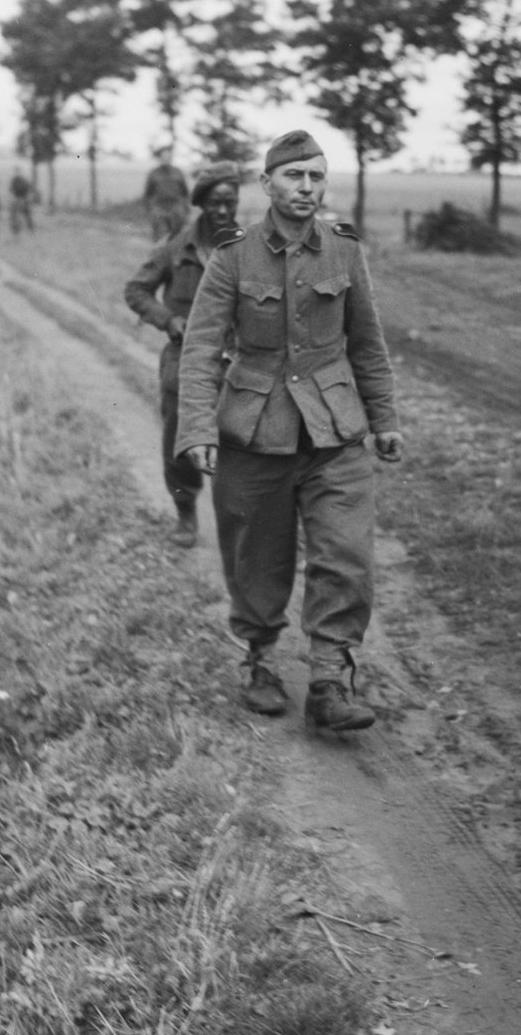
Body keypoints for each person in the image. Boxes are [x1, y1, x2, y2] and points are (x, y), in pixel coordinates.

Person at [175, 130, 404, 732]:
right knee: (257, 559)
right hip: (255, 433)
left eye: (316, 177)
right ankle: (261, 661)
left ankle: (329, 679)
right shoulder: (232, 255)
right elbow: (200, 349)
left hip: (334, 433)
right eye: (295, 177)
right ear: (267, 184)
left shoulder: (345, 252)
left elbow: (369, 345)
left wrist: (384, 420)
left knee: (346, 556)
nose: (307, 188)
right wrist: (196, 427)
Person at [124, 160, 242, 548]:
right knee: (180, 442)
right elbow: (136, 290)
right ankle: (186, 513)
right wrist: (168, 320)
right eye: (215, 203)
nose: (223, 211)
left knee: (243, 446)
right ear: (201, 204)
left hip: (238, 362)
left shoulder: (248, 249)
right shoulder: (177, 247)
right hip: (184, 359)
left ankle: (242, 522)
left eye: (231, 202)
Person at [142, 147, 189, 241]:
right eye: (164, 156)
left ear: (171, 158)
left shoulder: (178, 172)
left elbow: (185, 192)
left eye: (168, 156)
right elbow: (148, 194)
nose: (166, 159)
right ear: (160, 158)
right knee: (160, 237)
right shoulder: (154, 173)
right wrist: (151, 209)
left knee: (177, 237)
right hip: (159, 208)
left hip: (176, 207)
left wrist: (184, 208)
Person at [9, 167, 34, 234]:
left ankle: (27, 227)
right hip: (20, 198)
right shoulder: (17, 180)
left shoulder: (17, 180)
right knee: (23, 213)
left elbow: (11, 189)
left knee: (24, 213)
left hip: (21, 198)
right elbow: (11, 189)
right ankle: (26, 227)